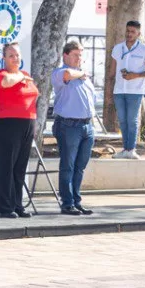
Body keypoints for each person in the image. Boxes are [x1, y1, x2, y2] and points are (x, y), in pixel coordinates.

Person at [0, 42, 39, 218]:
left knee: (20, 167)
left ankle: (17, 204)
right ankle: (4, 206)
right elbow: (6, 83)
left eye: (17, 55)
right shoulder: (2, 74)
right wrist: (20, 77)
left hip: (27, 123)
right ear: (4, 58)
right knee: (7, 165)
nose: (15, 58)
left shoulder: (25, 74)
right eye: (11, 55)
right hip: (7, 124)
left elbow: (34, 94)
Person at [51, 40, 96, 216]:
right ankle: (67, 203)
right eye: (76, 55)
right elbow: (68, 74)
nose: (79, 58)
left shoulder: (83, 77)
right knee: (68, 166)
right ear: (66, 55)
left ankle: (76, 201)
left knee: (80, 167)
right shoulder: (60, 72)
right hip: (69, 125)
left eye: (81, 55)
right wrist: (82, 73)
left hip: (86, 125)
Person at [109, 19, 145, 159]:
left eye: (132, 32)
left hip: (135, 91)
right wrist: (109, 91)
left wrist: (135, 75)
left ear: (138, 33)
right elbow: (111, 72)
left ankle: (131, 149)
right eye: (127, 31)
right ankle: (125, 149)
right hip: (119, 90)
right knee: (122, 121)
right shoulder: (118, 48)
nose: (129, 34)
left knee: (132, 120)